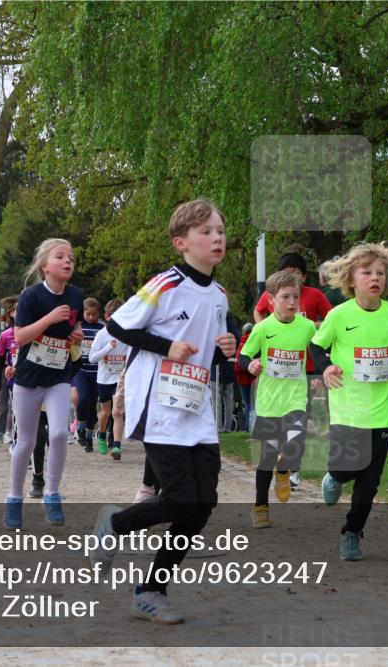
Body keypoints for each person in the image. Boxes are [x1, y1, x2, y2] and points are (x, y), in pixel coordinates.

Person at [90, 198, 236, 624]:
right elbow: (117, 326)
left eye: (221, 231)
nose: (217, 238)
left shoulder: (221, 295)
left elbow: (208, 352)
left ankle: (149, 588)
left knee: (202, 504)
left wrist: (225, 351)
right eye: (206, 231)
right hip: (158, 406)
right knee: (179, 499)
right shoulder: (165, 284)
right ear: (181, 242)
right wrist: (166, 346)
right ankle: (118, 529)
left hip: (197, 408)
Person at [309, 242, 388, 561]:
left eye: (380, 273)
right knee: (347, 466)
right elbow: (316, 347)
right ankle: (335, 477)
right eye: (367, 272)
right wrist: (326, 367)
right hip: (346, 407)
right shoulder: (339, 315)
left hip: (381, 410)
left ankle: (351, 533)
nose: (375, 278)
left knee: (369, 482)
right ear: (351, 279)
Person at [4, 238, 84, 529]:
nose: (68, 262)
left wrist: (76, 333)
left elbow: (73, 327)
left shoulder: (76, 296)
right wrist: (50, 318)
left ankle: (52, 493)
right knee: (26, 441)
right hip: (28, 378)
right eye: (60, 257)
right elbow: (20, 337)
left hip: (58, 376)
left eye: (71, 258)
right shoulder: (31, 297)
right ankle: (14, 497)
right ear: (44, 266)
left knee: (61, 433)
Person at [239, 270, 316, 528]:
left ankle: (285, 469)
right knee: (268, 457)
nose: (292, 302)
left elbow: (322, 346)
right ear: (271, 299)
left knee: (296, 444)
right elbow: (244, 355)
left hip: (295, 399)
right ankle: (261, 507)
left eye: (295, 296)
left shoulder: (306, 327)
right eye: (285, 297)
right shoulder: (262, 329)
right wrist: (251, 365)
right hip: (269, 402)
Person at [255, 252, 332, 487]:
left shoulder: (314, 295)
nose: (292, 275)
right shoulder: (276, 297)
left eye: (296, 272)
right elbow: (259, 311)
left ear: (304, 276)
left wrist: (314, 326)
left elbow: (331, 321)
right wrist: (267, 332)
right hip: (276, 372)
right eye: (287, 270)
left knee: (299, 420)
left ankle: (293, 469)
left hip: (306, 367)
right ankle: (280, 464)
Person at [90, 299, 130, 458]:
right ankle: (101, 434)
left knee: (117, 412)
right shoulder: (102, 335)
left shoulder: (128, 333)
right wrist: (108, 348)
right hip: (104, 378)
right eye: (114, 317)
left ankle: (117, 446)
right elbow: (92, 358)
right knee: (106, 412)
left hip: (121, 378)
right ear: (107, 317)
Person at [73, 298, 104, 452]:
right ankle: (80, 425)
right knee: (83, 398)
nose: (91, 317)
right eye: (88, 314)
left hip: (98, 372)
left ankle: (90, 437)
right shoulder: (78, 326)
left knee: (93, 404)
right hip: (81, 370)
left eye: (94, 314)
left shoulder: (102, 328)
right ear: (83, 312)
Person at [0, 296, 19, 447]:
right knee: (5, 406)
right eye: (16, 310)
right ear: (11, 313)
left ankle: (11, 434)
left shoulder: (34, 332)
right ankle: (10, 435)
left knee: (15, 409)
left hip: (28, 377)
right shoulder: (5, 335)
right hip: (9, 375)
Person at [234, 322, 255, 431]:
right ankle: (254, 426)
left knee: (247, 403)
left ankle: (249, 427)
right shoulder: (257, 341)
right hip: (255, 379)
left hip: (243, 379)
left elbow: (237, 365)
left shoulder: (241, 344)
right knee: (254, 404)